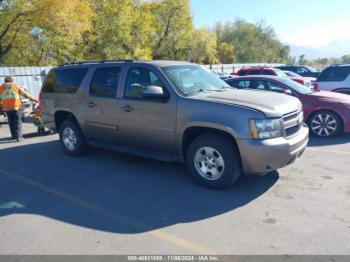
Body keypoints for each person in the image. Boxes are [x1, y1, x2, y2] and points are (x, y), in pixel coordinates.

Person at [0, 75, 38, 142]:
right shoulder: (15, 86)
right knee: (18, 122)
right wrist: (34, 99)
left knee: (11, 122)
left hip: (6, 108)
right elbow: (24, 94)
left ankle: (14, 136)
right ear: (12, 80)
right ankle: (19, 137)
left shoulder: (1, 87)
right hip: (16, 107)